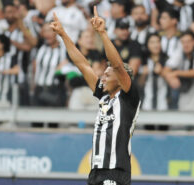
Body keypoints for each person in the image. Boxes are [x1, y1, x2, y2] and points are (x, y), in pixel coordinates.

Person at [50, 6, 141, 185]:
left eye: (107, 75)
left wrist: (102, 33)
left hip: (115, 172)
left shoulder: (128, 98)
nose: (103, 77)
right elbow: (83, 65)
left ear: (121, 79)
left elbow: (117, 65)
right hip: (95, 173)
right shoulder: (104, 96)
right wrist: (63, 35)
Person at [163, 30, 194, 111]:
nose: (186, 45)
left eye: (188, 41)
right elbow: (166, 70)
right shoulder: (179, 51)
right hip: (184, 96)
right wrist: (171, 79)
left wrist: (176, 73)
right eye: (183, 42)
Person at [32, 23, 67, 107]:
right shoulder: (41, 48)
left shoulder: (63, 49)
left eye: (49, 31)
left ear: (56, 32)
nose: (47, 34)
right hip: (39, 88)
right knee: (36, 118)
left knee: (53, 118)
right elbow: (35, 67)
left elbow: (66, 68)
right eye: (44, 31)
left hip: (54, 89)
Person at [141, 32, 169, 111]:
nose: (156, 45)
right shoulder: (143, 60)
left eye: (158, 41)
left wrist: (162, 72)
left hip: (163, 104)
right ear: (147, 45)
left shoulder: (167, 59)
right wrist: (143, 74)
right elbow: (139, 84)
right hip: (147, 104)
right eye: (152, 42)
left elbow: (173, 83)